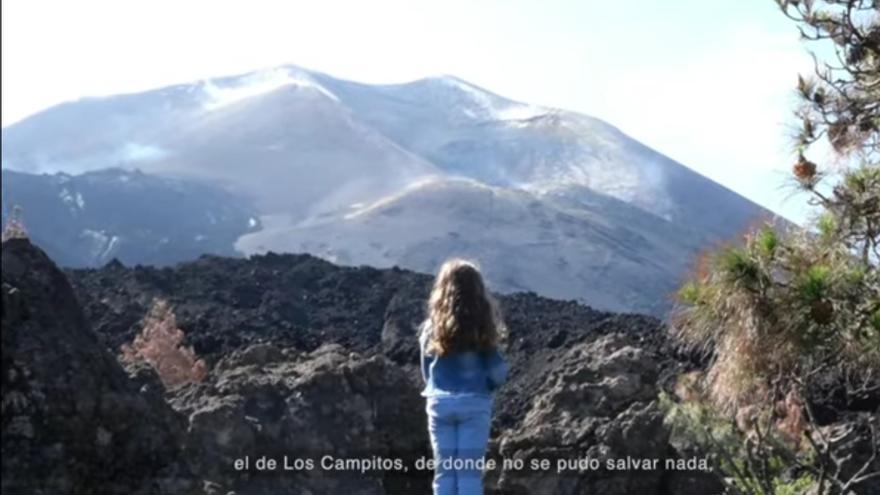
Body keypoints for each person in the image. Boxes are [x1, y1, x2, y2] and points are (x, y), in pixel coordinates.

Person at [419, 258, 508, 495]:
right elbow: (498, 372)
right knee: (468, 474)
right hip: (474, 403)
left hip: (440, 404)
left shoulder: (431, 328)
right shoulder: (481, 328)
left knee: (444, 474)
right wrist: (488, 387)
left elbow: (426, 370)